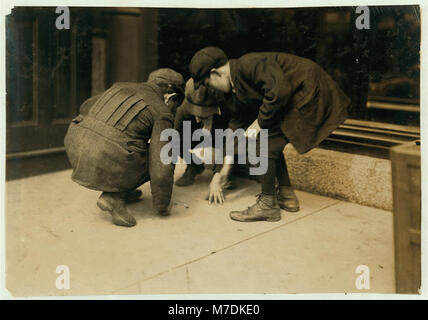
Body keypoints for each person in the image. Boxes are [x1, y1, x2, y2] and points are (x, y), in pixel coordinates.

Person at [189, 47, 351, 222]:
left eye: (207, 83)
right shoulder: (234, 90)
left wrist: (258, 124)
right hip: (294, 96)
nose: (211, 89)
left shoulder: (249, 64)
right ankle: (286, 196)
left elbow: (279, 90)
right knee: (268, 142)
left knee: (262, 142)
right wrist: (221, 172)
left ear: (215, 74)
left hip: (309, 91)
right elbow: (236, 128)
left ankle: (268, 204)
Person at [64, 68, 185, 227]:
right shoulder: (162, 111)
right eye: (175, 106)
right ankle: (114, 197)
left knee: (127, 142)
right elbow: (161, 169)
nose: (173, 111)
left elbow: (85, 106)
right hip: (105, 154)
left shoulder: (120, 86)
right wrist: (162, 206)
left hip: (75, 143)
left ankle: (121, 187)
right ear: (171, 97)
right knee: (159, 154)